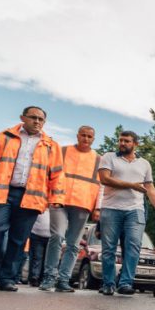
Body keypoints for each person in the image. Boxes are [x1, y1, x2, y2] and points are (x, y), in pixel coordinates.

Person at [0, 106, 65, 292]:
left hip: (31, 198)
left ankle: (6, 278)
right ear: (23, 118)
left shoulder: (50, 145)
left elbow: (57, 174)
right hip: (2, 193)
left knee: (18, 240)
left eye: (41, 119)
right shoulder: (4, 137)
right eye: (33, 117)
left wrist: (56, 197)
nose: (37, 122)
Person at [96, 131, 155, 296]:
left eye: (126, 141)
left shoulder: (144, 164)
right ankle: (108, 283)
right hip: (111, 209)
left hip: (135, 210)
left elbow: (150, 189)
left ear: (135, 144)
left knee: (133, 247)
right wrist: (131, 185)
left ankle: (125, 283)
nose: (122, 143)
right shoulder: (108, 157)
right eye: (120, 140)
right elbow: (105, 179)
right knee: (108, 249)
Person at [39, 125, 101, 292]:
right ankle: (49, 277)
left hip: (83, 204)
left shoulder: (98, 159)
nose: (86, 139)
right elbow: (49, 175)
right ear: (77, 135)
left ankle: (63, 280)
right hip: (59, 200)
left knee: (73, 244)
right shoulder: (63, 151)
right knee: (57, 237)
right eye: (83, 135)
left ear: (93, 139)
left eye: (89, 137)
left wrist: (98, 208)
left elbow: (100, 185)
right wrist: (47, 197)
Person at [26, 209, 51, 287]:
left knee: (46, 259)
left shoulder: (58, 208)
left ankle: (42, 278)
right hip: (36, 235)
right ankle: (34, 277)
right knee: (37, 257)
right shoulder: (39, 206)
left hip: (51, 238)